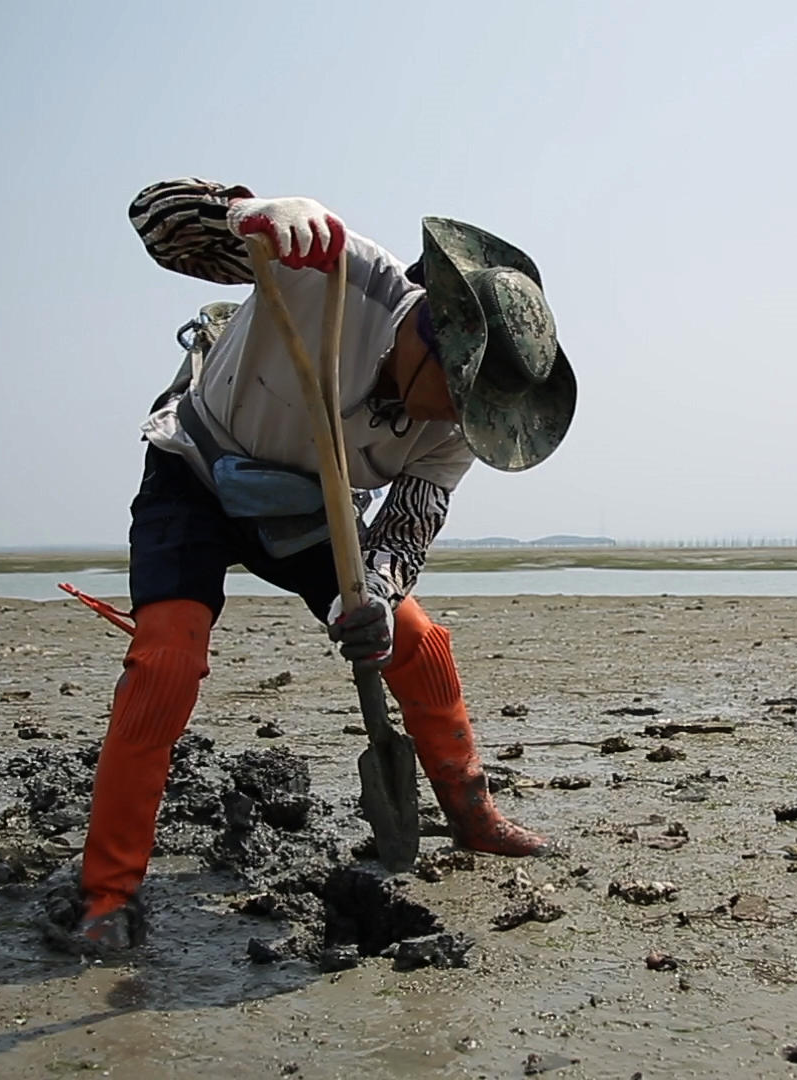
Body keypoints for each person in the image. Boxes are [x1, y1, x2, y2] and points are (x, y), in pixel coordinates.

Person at [57, 178, 577, 953]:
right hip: (195, 474)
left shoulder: (463, 429)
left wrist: (370, 598)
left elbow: (407, 528)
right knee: (166, 661)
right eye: (456, 397)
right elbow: (153, 220)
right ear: (431, 333)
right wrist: (240, 212)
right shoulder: (331, 270)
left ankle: (473, 815)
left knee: (417, 640)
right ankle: (109, 894)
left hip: (306, 508)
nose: (454, 420)